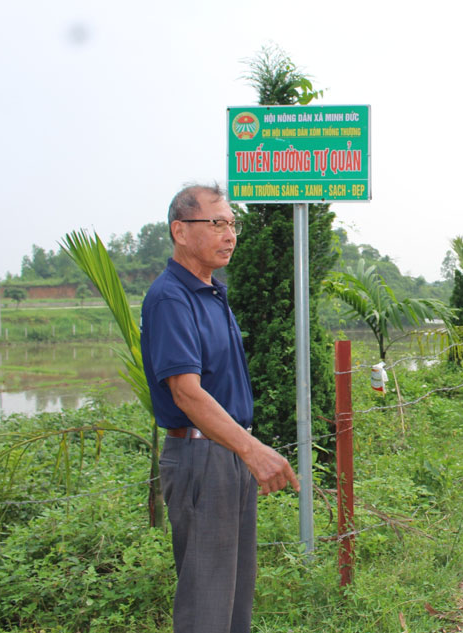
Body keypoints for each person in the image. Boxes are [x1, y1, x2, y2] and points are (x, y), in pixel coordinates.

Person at [141, 183, 299, 633]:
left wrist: (244, 450)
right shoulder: (172, 297)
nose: (228, 234)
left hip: (226, 454)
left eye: (232, 224)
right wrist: (252, 450)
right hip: (200, 458)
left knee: (234, 597)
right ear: (180, 231)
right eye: (215, 223)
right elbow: (186, 394)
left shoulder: (211, 292)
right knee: (206, 601)